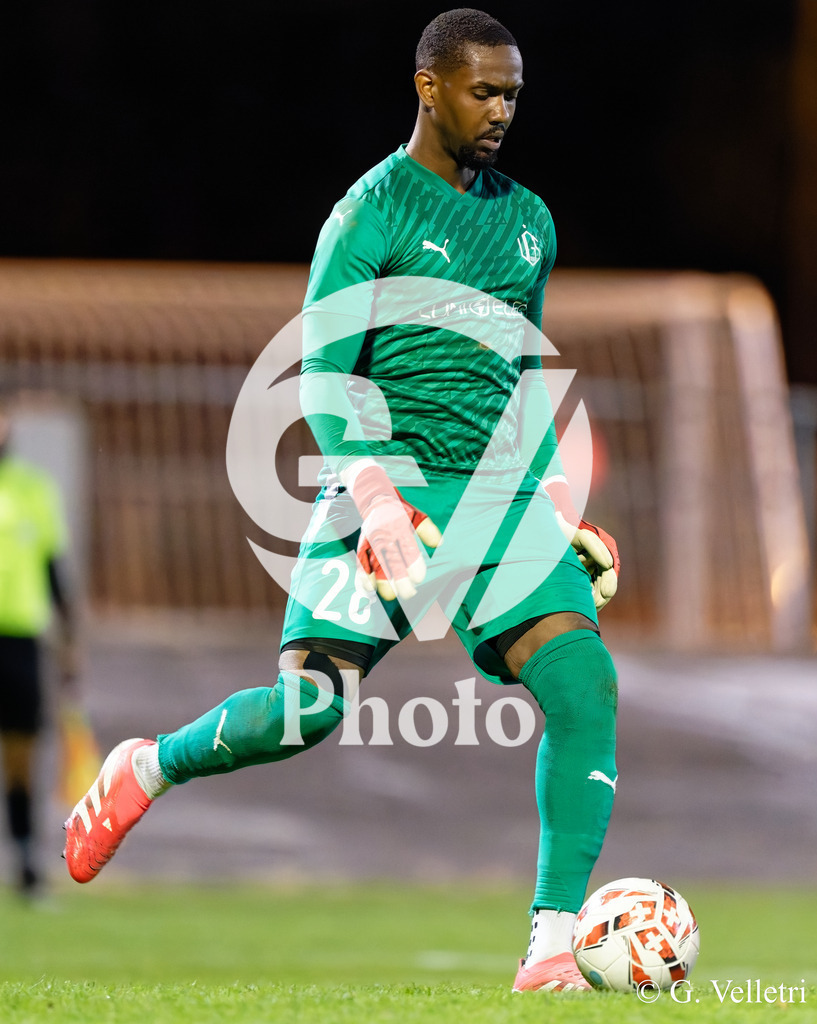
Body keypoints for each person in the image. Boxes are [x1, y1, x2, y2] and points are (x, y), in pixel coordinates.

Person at [64, 8, 620, 992]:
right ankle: (147, 766)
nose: (501, 111)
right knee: (305, 712)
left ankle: (552, 941)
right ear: (429, 88)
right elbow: (322, 374)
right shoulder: (370, 212)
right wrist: (374, 496)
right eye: (483, 92)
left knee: (583, 680)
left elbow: (522, 378)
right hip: (379, 480)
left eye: (512, 95)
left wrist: (548, 506)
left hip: (490, 499)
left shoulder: (530, 221)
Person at [0, 396, 78, 895]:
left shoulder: (33, 488)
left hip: (20, 639)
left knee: (22, 752)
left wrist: (70, 640)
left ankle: (27, 859)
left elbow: (54, 570)